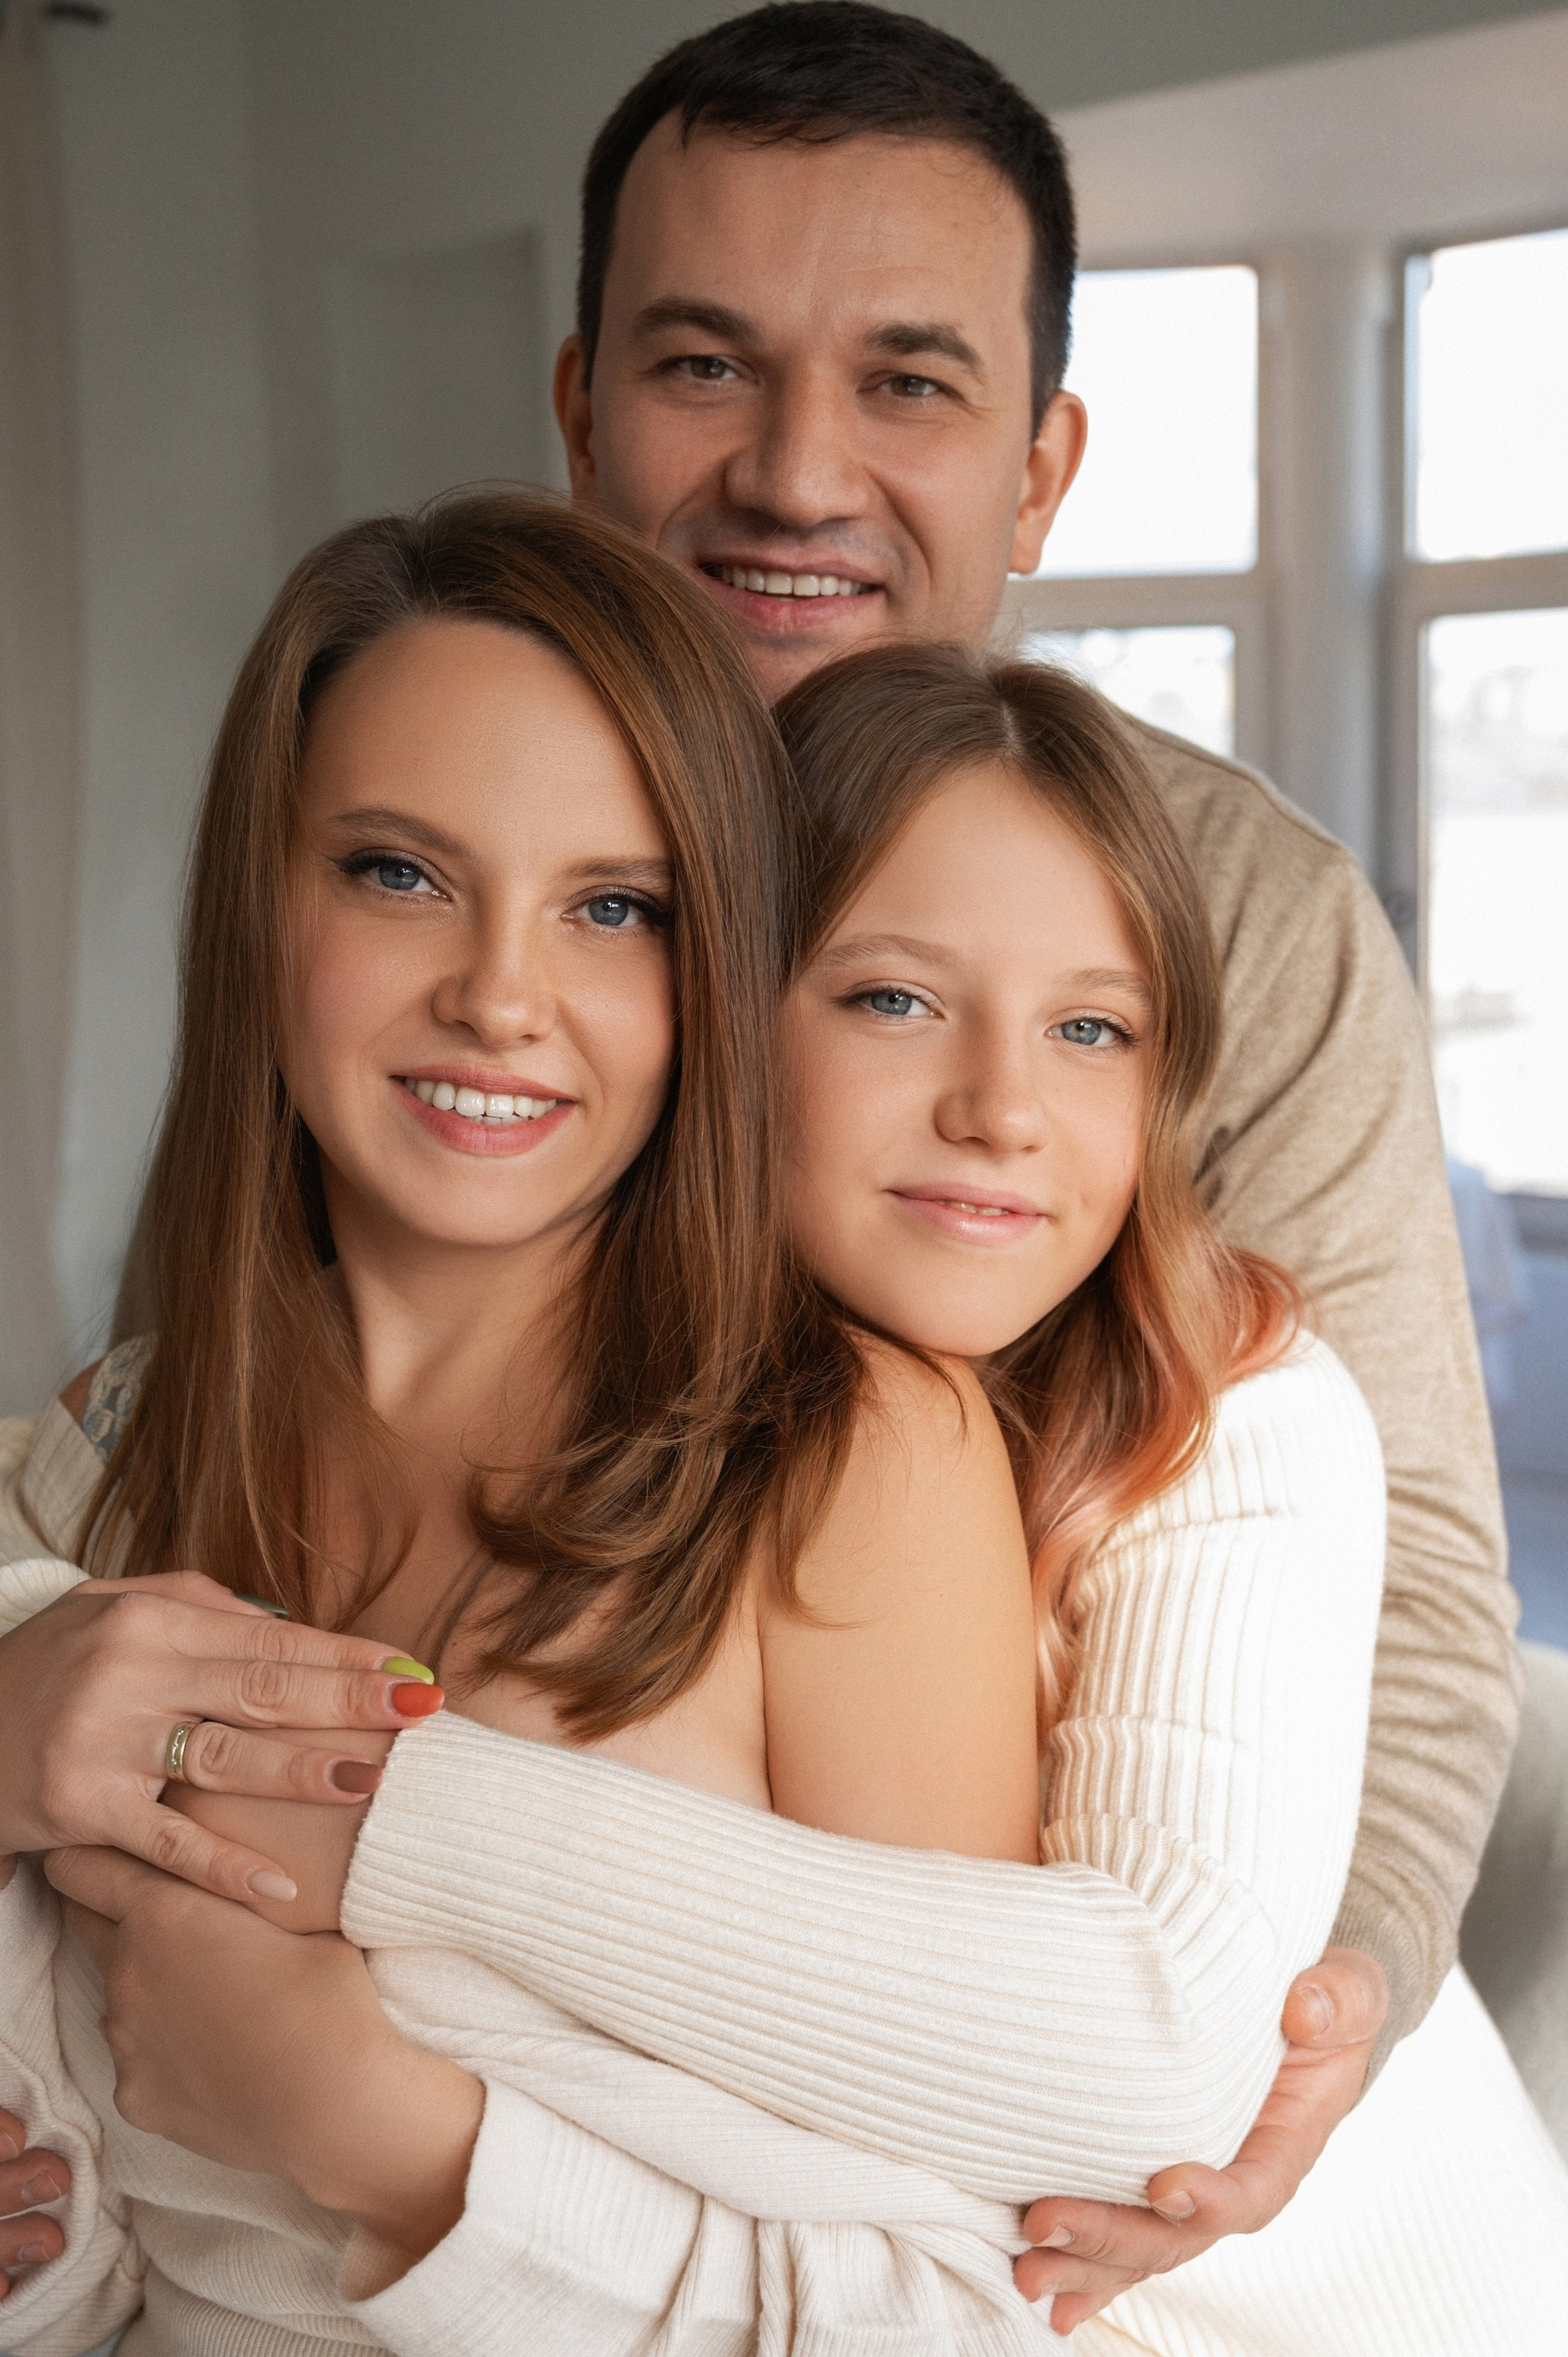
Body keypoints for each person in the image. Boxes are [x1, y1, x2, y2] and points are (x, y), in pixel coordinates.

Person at [0, 0, 1516, 2328]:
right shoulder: (421, 905)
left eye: (910, 381)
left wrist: (1313, 2043)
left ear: (1040, 467)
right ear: (583, 399)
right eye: (708, 366)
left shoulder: (1232, 933)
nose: (799, 476)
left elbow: (1389, 1602)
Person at [8, 639, 1567, 2357]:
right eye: (892, 999)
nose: (999, 1112)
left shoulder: (1226, 1418)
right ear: (728, 1018)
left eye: (1095, 1029)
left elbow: (1140, 2080)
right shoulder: (183, 1443)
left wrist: (375, 1833)